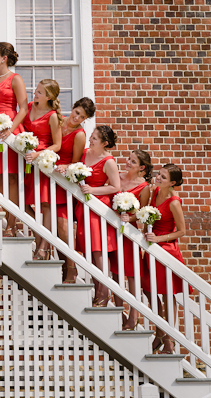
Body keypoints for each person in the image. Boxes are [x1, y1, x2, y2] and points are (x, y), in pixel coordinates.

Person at [141, 164, 191, 354]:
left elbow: (182, 231)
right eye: (158, 174)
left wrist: (158, 238)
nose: (158, 178)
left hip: (167, 251)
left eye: (163, 177)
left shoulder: (174, 202)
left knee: (167, 295)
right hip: (152, 250)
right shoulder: (154, 192)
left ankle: (168, 340)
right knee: (148, 290)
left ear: (172, 183)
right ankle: (161, 334)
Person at [0, 42, 28, 236]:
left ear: (4, 58)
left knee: (12, 179)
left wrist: (10, 129)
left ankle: (11, 226)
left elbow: (23, 108)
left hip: (10, 131)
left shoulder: (15, 79)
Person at [75, 126, 120, 307]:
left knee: (98, 250)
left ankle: (104, 291)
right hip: (83, 206)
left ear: (105, 143)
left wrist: (92, 190)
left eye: (94, 138)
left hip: (98, 206)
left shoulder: (108, 161)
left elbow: (115, 187)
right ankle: (97, 288)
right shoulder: (84, 153)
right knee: (89, 250)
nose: (90, 140)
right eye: (91, 137)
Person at [54, 98, 95, 283]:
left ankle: (71, 269)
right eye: (76, 112)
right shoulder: (58, 120)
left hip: (63, 182)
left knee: (63, 228)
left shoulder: (80, 135)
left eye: (82, 116)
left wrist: (64, 167)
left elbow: (77, 162)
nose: (76, 117)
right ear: (73, 108)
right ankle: (63, 266)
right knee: (51, 227)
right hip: (46, 175)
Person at [110, 149, 152, 330]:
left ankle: (134, 316)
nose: (128, 162)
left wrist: (130, 218)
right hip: (111, 230)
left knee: (132, 275)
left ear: (141, 168)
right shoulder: (117, 176)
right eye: (129, 159)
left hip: (129, 234)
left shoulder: (144, 187)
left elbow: (141, 213)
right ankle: (119, 312)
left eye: (133, 162)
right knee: (115, 273)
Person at [22, 79, 63, 259]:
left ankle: (44, 247)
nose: (35, 93)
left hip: (42, 162)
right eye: (36, 90)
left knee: (45, 205)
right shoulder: (29, 106)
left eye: (39, 92)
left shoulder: (52, 116)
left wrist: (38, 155)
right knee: (22, 203)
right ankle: (39, 240)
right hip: (26, 161)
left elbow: (57, 145)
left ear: (49, 97)